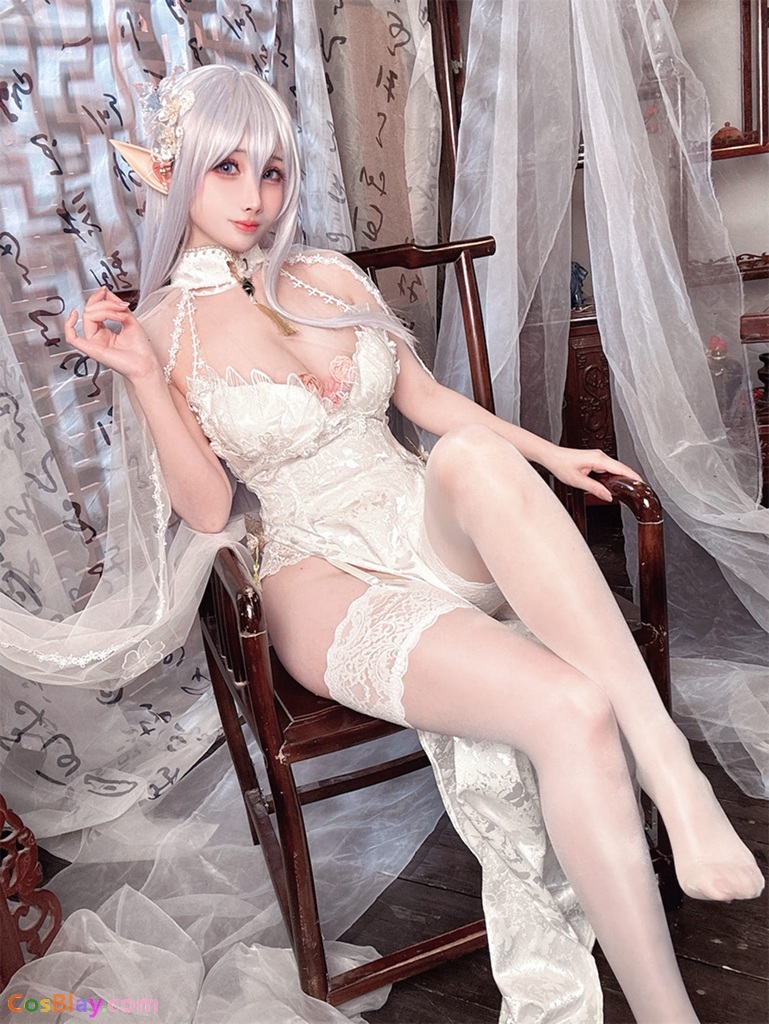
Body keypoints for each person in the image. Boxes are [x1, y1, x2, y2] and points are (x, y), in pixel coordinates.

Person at [63, 65, 762, 1024]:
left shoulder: (327, 276)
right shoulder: (156, 330)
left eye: (271, 170)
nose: (254, 195)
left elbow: (426, 403)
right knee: (570, 707)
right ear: (165, 172)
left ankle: (671, 773)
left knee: (471, 455)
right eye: (224, 168)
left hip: (419, 524)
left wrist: (553, 455)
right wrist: (144, 378)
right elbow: (210, 505)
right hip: (322, 574)